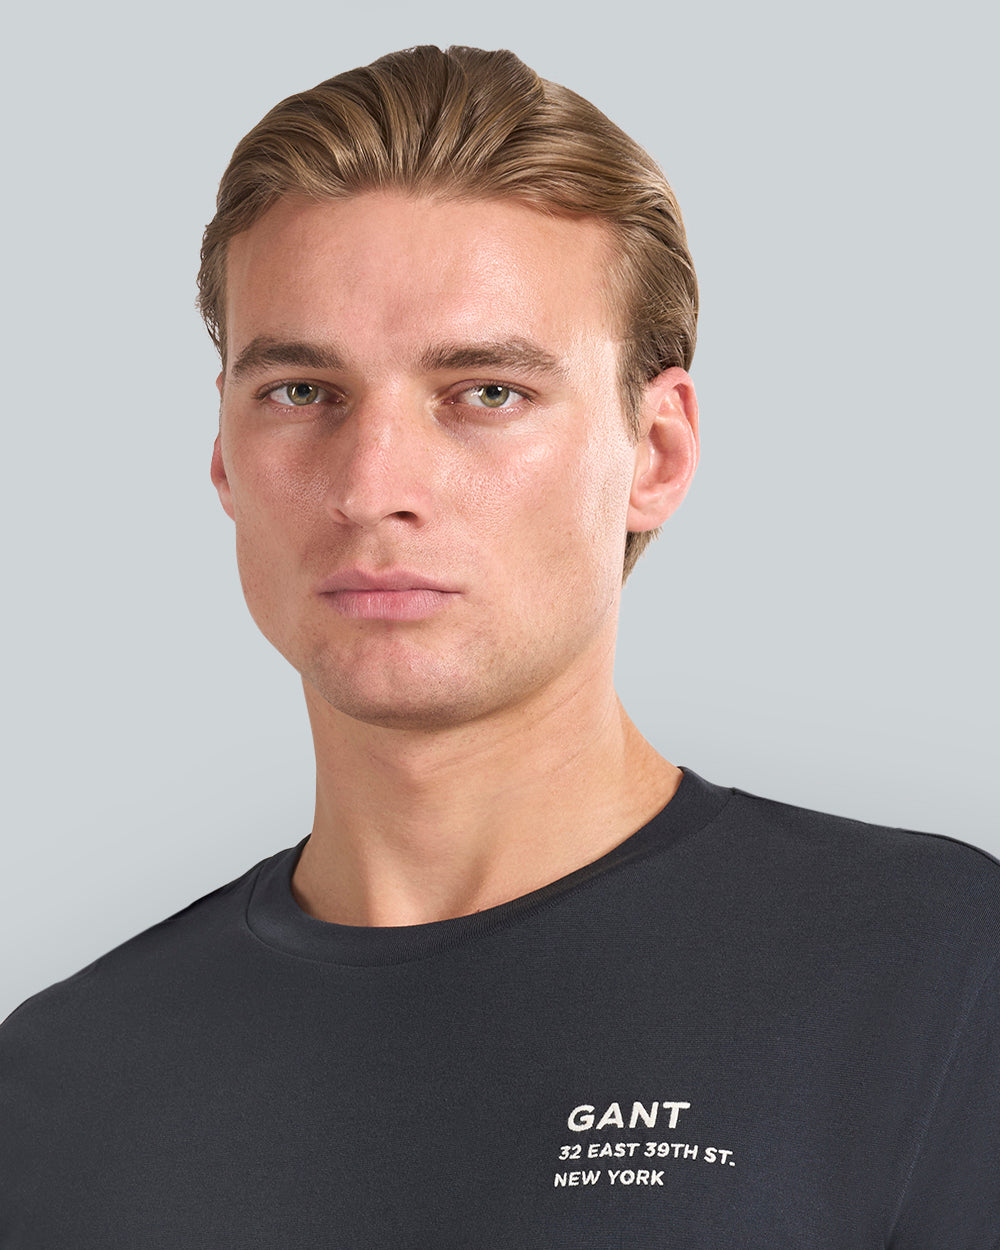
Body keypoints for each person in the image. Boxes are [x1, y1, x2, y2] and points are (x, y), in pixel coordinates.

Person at [1, 43, 996, 1248]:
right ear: (223, 455)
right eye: (302, 391)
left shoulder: (936, 972)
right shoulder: (58, 1082)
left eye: (485, 391)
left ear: (655, 453)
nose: (372, 486)